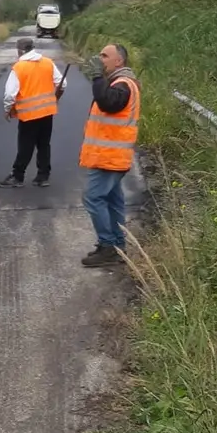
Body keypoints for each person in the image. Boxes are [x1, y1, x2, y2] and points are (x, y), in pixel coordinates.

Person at [79, 43, 141, 267]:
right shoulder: (119, 82)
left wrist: (97, 77)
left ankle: (108, 247)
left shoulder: (123, 84)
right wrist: (99, 79)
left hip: (110, 157)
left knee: (93, 198)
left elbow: (107, 103)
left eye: (105, 56)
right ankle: (117, 246)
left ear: (119, 61)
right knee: (113, 200)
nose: (100, 59)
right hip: (111, 156)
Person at [0, 37, 66, 188]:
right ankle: (43, 176)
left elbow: (10, 94)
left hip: (28, 115)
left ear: (20, 50)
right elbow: (62, 83)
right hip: (47, 112)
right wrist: (56, 97)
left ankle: (17, 176)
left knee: (25, 145)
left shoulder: (19, 67)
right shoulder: (47, 62)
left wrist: (8, 110)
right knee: (44, 145)